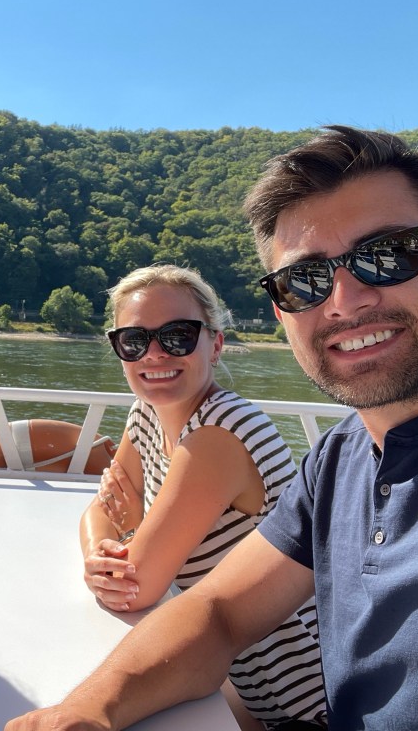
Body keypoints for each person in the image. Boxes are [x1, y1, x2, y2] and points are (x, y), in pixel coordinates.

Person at [5, 125, 418, 731]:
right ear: (281, 312)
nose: (344, 300)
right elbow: (219, 611)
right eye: (305, 281)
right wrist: (87, 710)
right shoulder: (341, 458)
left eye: (387, 256)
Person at [84, 264, 324, 729]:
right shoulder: (148, 414)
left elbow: (137, 586)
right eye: (134, 340)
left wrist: (128, 532)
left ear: (215, 345)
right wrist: (100, 555)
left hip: (305, 699)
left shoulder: (222, 432)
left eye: (178, 336)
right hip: (238, 678)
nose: (155, 353)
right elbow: (100, 507)